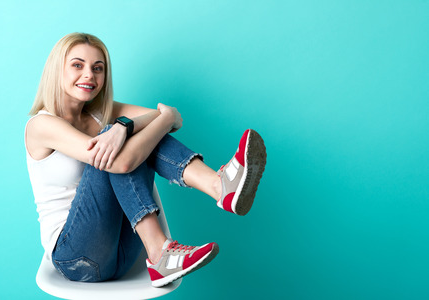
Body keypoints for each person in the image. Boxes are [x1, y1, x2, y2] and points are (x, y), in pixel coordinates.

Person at [25, 32, 266, 287]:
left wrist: (126, 127)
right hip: (75, 256)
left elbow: (171, 119)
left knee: (133, 133)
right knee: (114, 138)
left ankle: (220, 187)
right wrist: (125, 128)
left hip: (124, 252)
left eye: (98, 68)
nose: (89, 75)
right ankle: (163, 247)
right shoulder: (41, 125)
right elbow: (121, 161)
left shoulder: (100, 113)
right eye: (77, 65)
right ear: (56, 70)